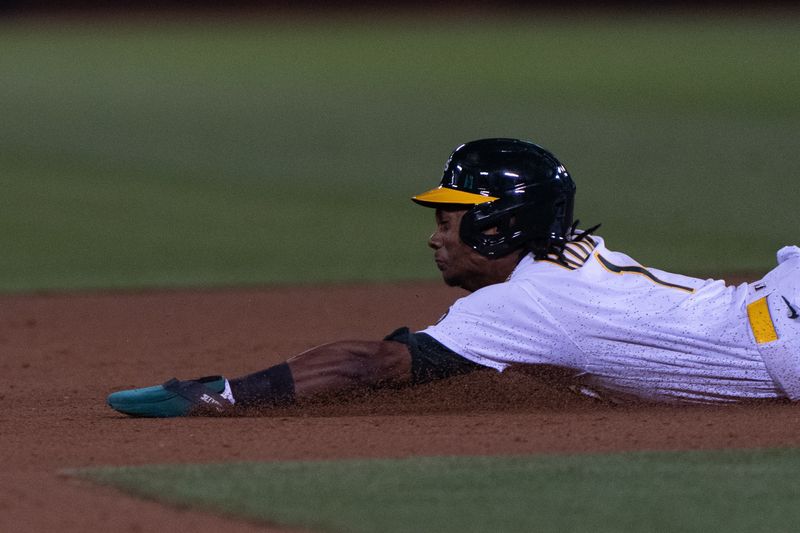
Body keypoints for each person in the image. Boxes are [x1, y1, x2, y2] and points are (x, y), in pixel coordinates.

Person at [107, 138, 800, 417]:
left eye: (452, 219)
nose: (436, 235)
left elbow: (372, 364)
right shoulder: (565, 261)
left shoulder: (529, 302)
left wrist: (224, 393)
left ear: (498, 225)